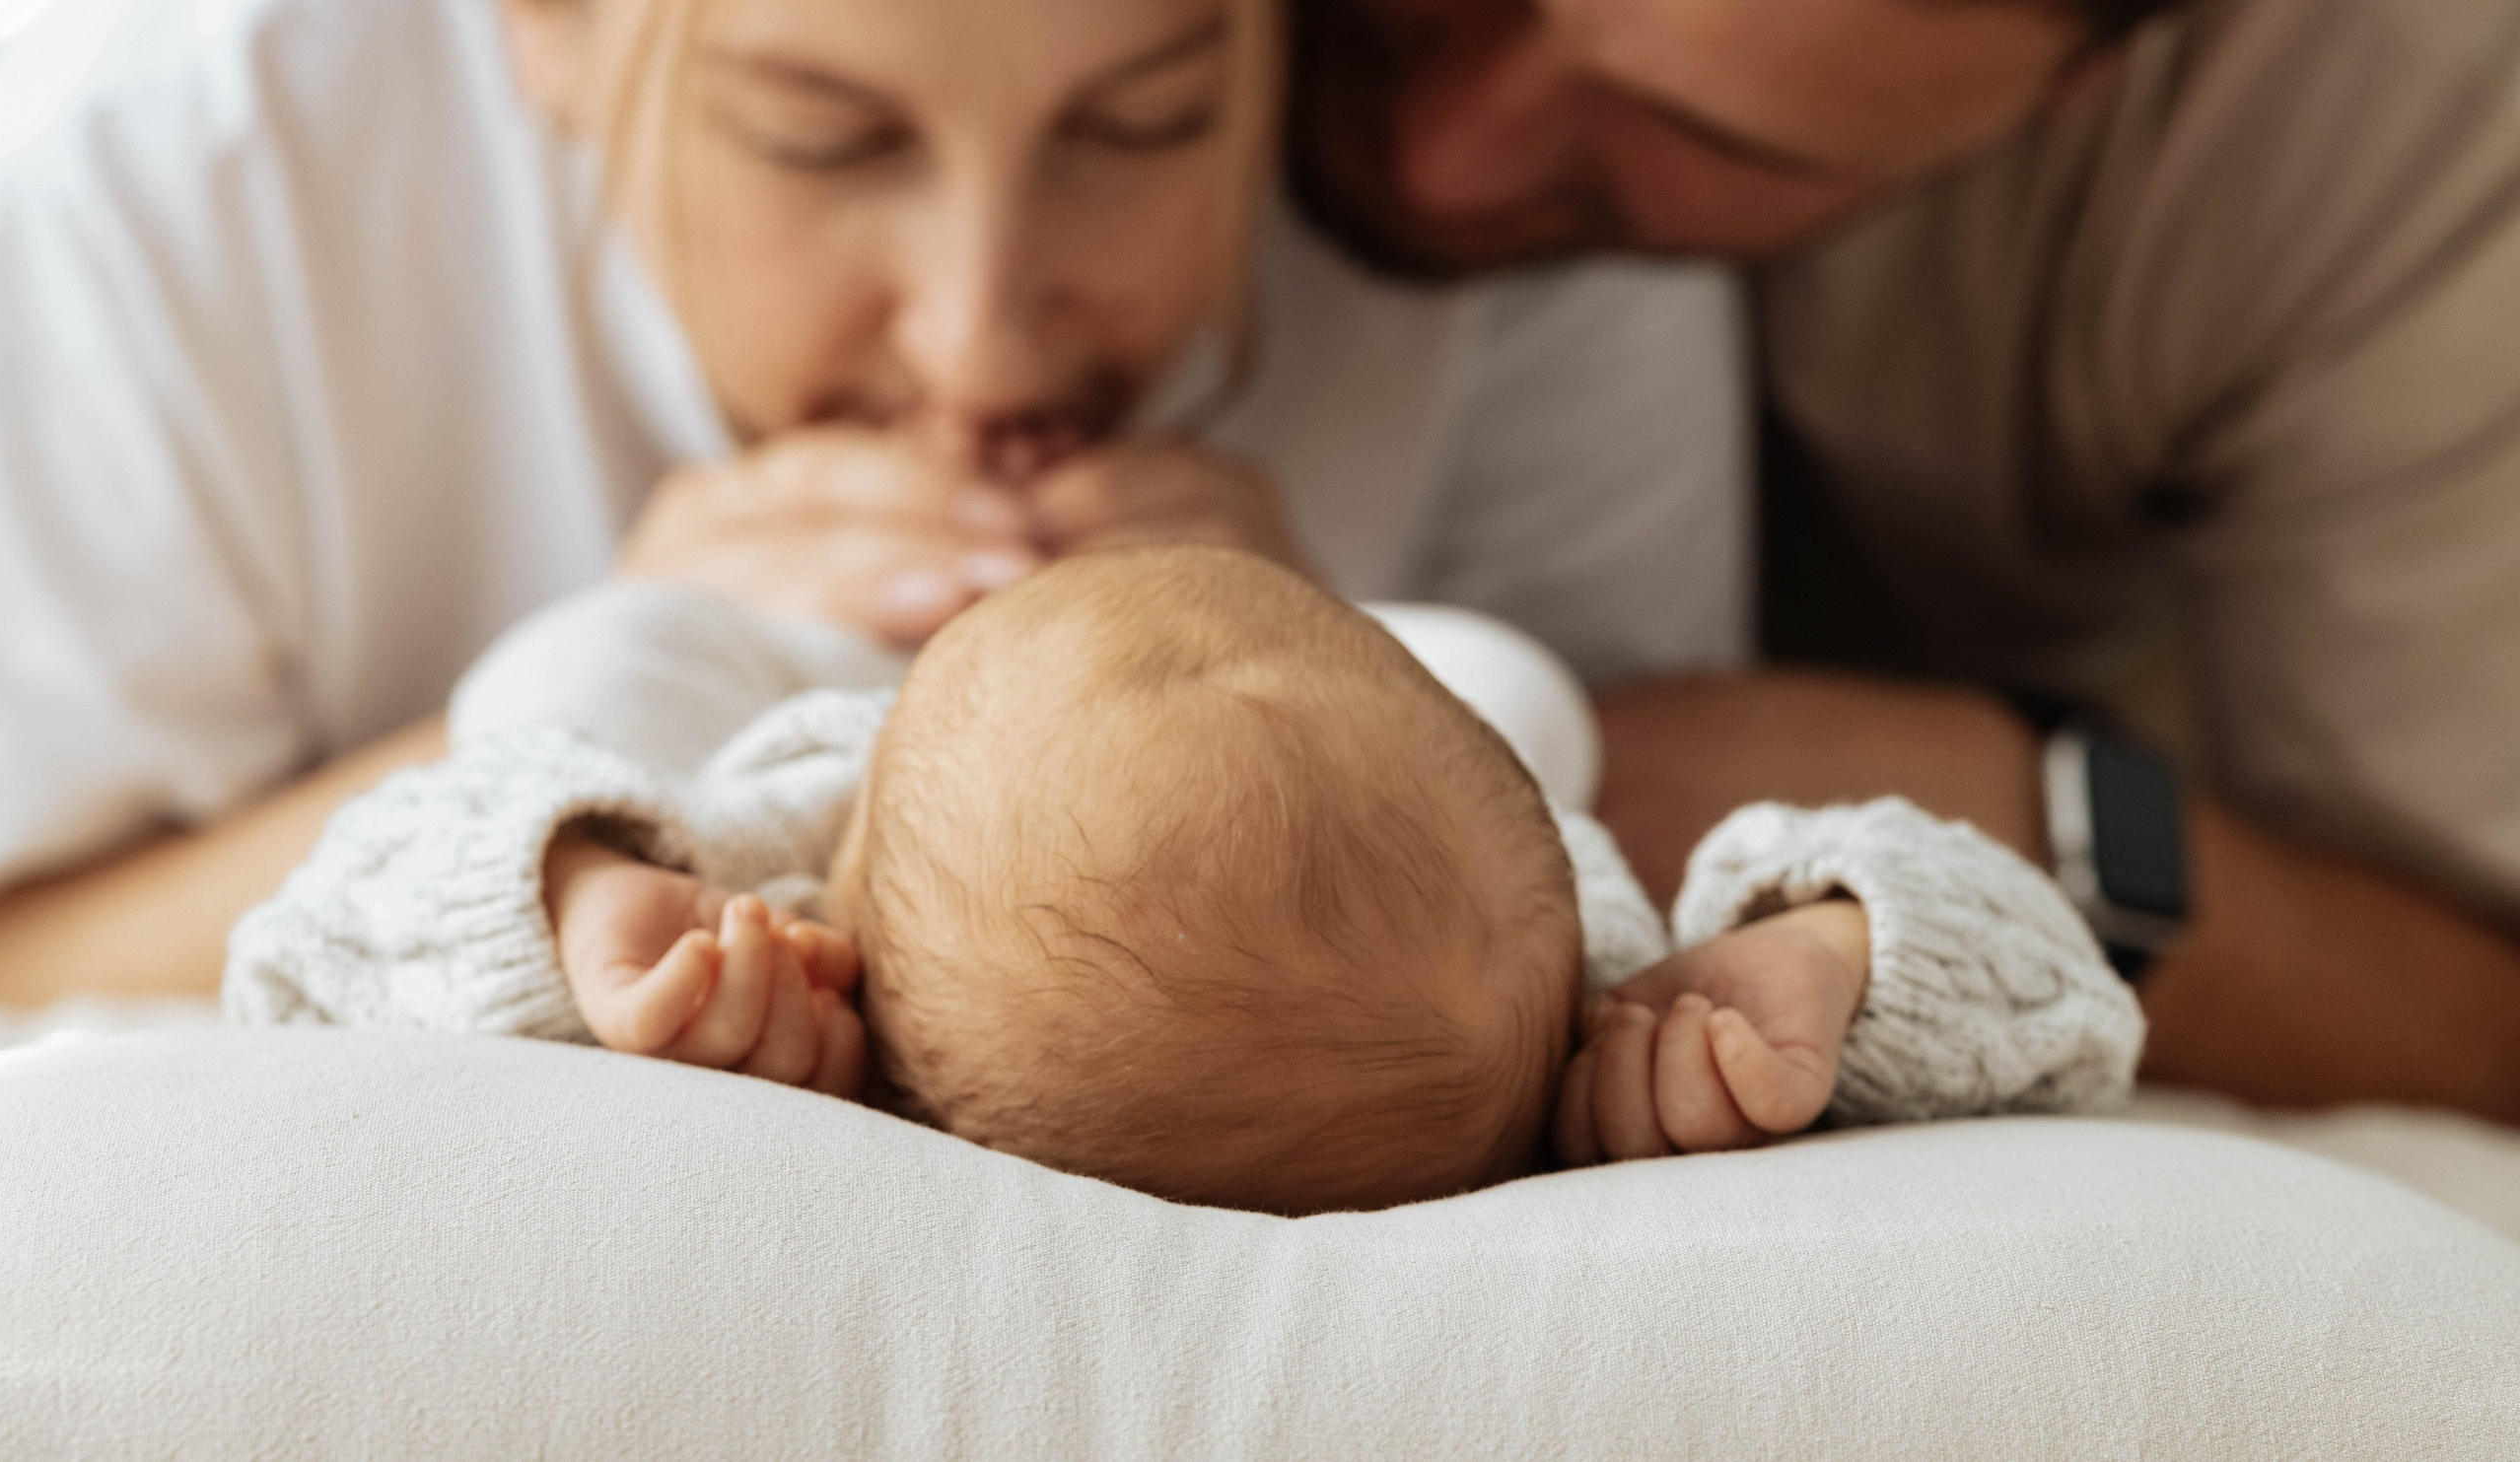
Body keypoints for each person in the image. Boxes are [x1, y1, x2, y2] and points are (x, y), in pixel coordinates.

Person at [0, 0, 1746, 1002]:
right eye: (821, 141)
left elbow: (1665, 842)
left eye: (1143, 127)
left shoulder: (1461, 197)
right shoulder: (189, 192)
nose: (981, 336)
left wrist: (1330, 711)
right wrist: (554, 747)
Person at [1284, 0, 2520, 1125]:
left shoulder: (2439, 66)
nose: (1444, 159)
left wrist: (2023, 827)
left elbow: (2487, 1004)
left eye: (1706, 130)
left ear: (2124, 43)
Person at [223, 545, 2144, 1212]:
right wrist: (1826, 954)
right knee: (1513, 689)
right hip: (1382, 755)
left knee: (576, 692)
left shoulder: (774, 869)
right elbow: (2052, 991)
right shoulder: (1574, 975)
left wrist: (571, 911)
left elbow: (322, 933)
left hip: (793, 728)